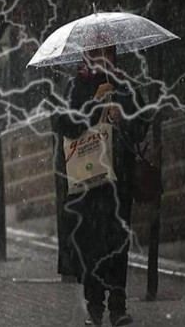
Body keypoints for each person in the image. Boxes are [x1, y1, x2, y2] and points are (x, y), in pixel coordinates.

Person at [52, 45, 151, 326]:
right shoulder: (77, 86)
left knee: (118, 243)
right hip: (90, 183)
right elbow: (66, 125)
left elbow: (142, 123)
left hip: (120, 181)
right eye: (96, 53)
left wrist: (124, 117)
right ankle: (95, 307)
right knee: (93, 245)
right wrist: (94, 104)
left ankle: (118, 306)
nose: (102, 59)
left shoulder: (124, 85)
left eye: (107, 53)